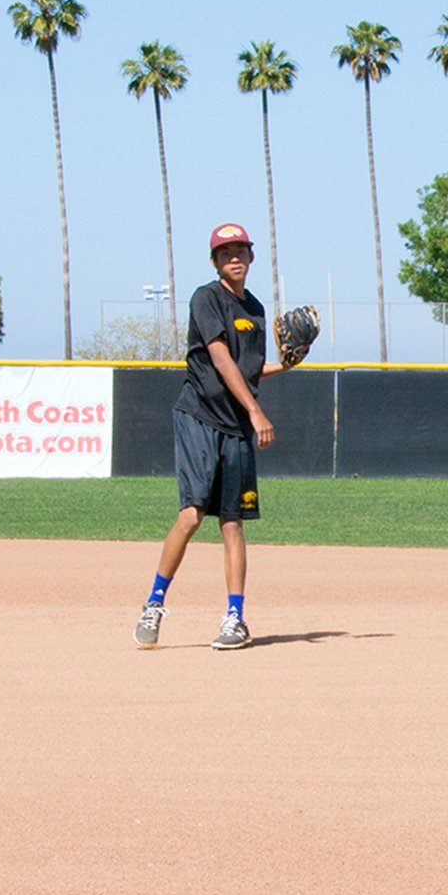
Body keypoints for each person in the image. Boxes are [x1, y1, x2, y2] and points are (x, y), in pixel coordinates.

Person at [134, 224, 279, 650]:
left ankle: (235, 618)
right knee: (193, 514)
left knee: (233, 523)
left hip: (235, 427)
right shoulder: (206, 298)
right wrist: (256, 410)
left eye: (241, 250)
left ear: (251, 258)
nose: (234, 257)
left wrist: (285, 365)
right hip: (199, 416)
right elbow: (218, 357)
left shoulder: (255, 309)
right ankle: (153, 603)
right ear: (215, 261)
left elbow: (248, 370)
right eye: (226, 251)